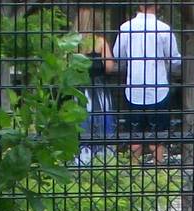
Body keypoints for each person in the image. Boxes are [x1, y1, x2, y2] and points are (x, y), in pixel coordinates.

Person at [113, 1, 181, 165]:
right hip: (158, 88)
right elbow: (174, 59)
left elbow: (117, 55)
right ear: (157, 6)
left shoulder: (126, 28)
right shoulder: (164, 29)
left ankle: (133, 171)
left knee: (134, 135)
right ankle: (159, 172)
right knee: (157, 136)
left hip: (134, 88)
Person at [74, 7, 118, 163]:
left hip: (79, 89)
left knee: (81, 122)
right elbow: (109, 66)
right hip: (98, 89)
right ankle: (103, 157)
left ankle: (81, 158)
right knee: (101, 120)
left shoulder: (73, 42)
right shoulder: (100, 42)